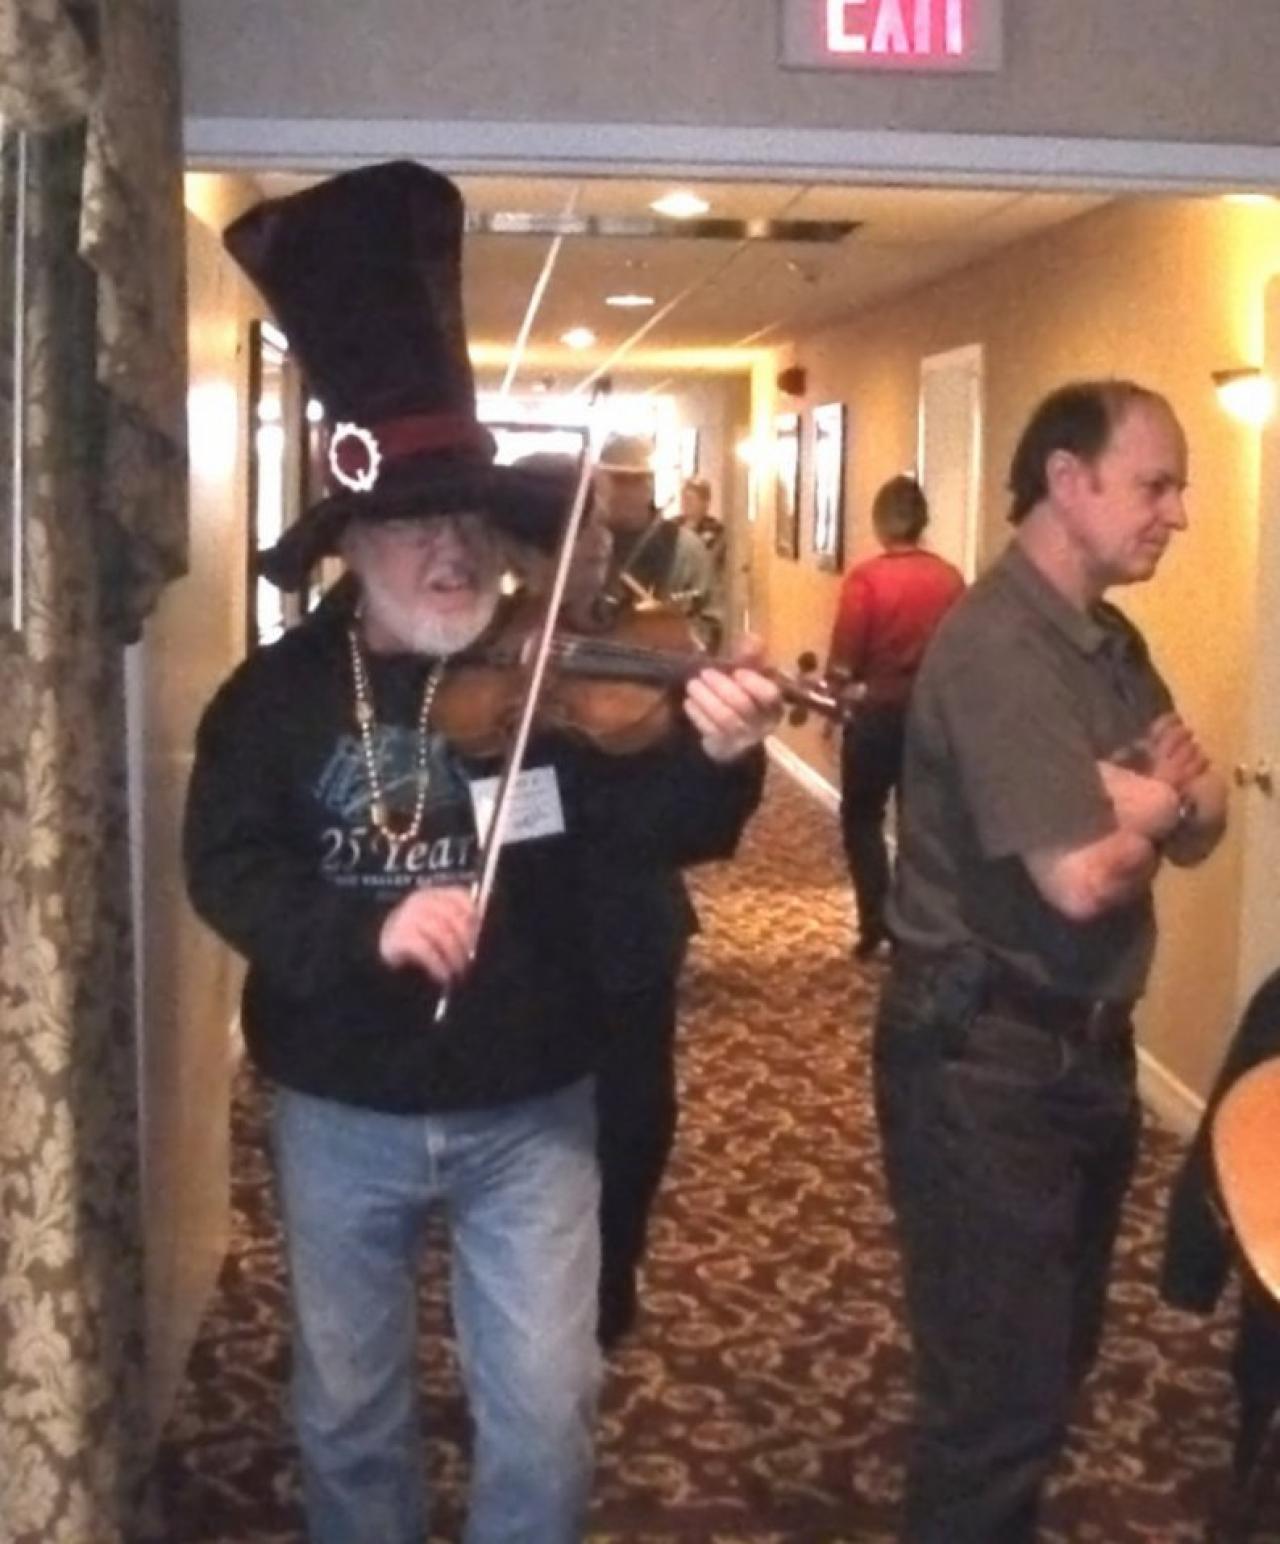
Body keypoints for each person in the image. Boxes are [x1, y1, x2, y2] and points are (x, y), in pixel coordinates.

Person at [182, 161, 780, 1544]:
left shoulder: (551, 680)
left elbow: (656, 829)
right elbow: (228, 865)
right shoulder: (273, 701)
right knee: (348, 1411)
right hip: (340, 1100)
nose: (450, 551)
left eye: (469, 520)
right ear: (354, 539)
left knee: (548, 1408)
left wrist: (720, 751)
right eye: (412, 520)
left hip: (531, 1102)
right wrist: (368, 931)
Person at [872, 380, 1227, 1542]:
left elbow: (1207, 810)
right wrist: (1150, 803)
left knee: (1051, 1357)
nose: (1178, 512)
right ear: (1067, 482)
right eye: (1154, 484)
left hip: (1082, 1053)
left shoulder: (1106, 638)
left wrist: (1150, 799)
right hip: (982, 1060)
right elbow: (1080, 877)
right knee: (993, 1400)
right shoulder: (995, 644)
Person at [825, 475, 964, 958]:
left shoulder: (867, 579)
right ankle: (912, 925)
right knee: (918, 824)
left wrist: (835, 696)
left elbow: (844, 657)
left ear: (880, 522)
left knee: (861, 816)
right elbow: (961, 652)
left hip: (875, 714)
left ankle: (875, 921)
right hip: (931, 716)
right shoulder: (949, 579)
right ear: (922, 521)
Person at [594, 434, 716, 637]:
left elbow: (710, 624)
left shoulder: (686, 550)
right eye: (615, 480)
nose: (623, 491)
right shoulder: (580, 546)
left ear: (650, 484)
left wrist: (668, 627)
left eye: (634, 481)